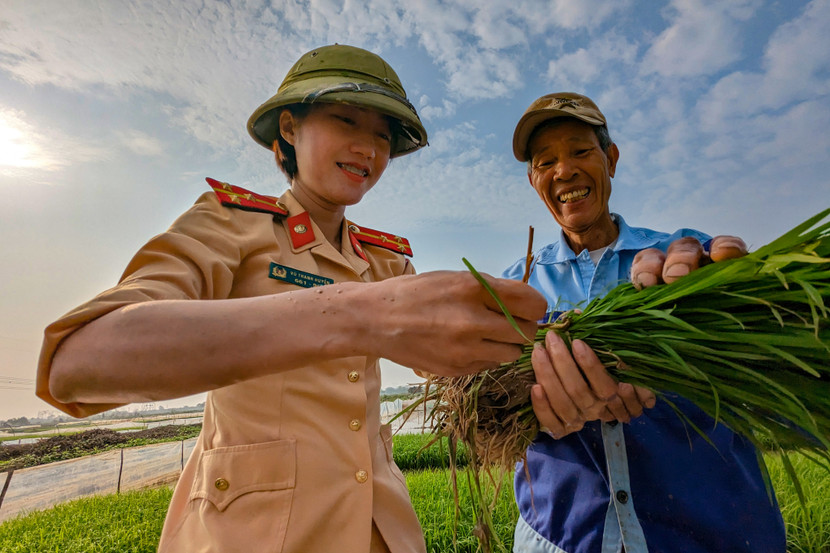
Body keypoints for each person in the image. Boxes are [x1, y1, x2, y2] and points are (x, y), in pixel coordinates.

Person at [35, 44, 550, 553]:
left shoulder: (387, 259)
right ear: (289, 128)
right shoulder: (228, 224)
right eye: (346, 120)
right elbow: (77, 361)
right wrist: (357, 315)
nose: (368, 149)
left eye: (382, 135)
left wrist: (547, 363)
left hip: (382, 533)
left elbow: (451, 368)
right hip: (252, 535)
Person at [502, 92, 786, 553]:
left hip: (706, 537)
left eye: (579, 151)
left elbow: (765, 352)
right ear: (535, 181)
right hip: (561, 539)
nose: (564, 170)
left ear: (610, 160)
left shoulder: (683, 258)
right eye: (545, 161)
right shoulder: (514, 287)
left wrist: (740, 296)